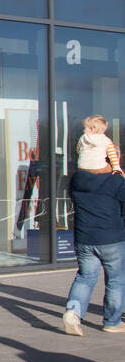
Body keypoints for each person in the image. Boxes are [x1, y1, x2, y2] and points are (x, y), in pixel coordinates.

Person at [62, 135, 125, 335]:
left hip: (84, 237)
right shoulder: (115, 180)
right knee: (115, 280)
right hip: (111, 238)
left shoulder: (76, 179)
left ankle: (73, 312)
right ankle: (112, 322)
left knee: (85, 277)